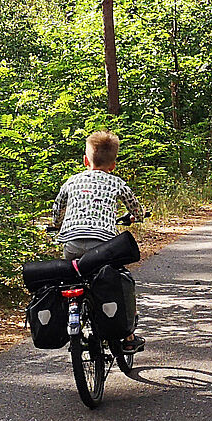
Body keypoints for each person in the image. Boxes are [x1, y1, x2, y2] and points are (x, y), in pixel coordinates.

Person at [50, 130, 147, 353]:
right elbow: (136, 209)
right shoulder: (117, 183)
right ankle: (128, 336)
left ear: (85, 160)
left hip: (71, 243)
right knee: (120, 280)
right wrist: (136, 217)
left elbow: (57, 210)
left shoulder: (71, 182)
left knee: (72, 279)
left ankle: (72, 315)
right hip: (102, 245)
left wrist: (56, 225)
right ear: (113, 165)